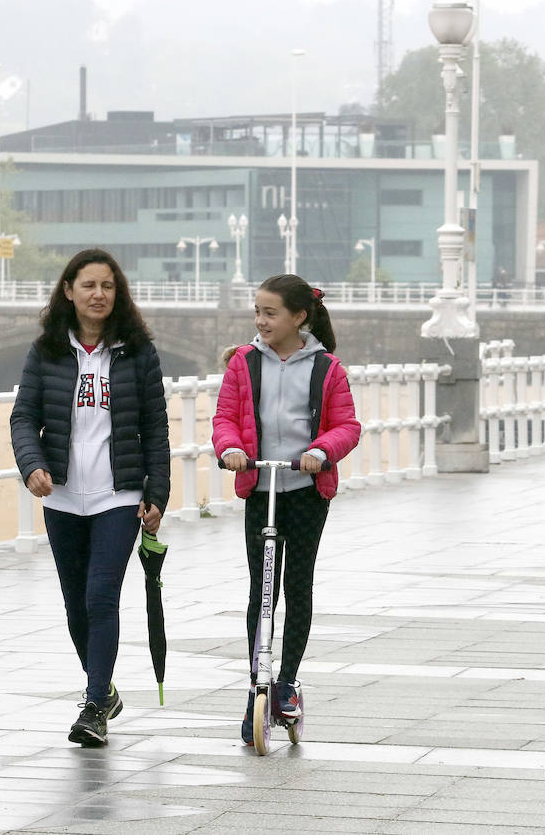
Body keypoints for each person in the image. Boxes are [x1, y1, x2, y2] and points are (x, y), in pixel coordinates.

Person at [10, 248, 170, 747]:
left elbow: (155, 429)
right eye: (88, 286)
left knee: (101, 597)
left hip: (117, 496)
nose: (98, 294)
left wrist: (156, 493)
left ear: (117, 293)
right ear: (69, 291)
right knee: (76, 605)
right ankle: (104, 690)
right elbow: (22, 417)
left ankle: (95, 703)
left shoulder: (137, 352)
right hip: (61, 497)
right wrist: (32, 464)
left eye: (107, 286)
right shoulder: (48, 351)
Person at [211, 273, 361, 746]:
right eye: (257, 311)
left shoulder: (327, 369)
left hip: (305, 490)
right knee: (262, 588)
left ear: (299, 316)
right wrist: (230, 448)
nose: (261, 320)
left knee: (297, 584)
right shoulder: (243, 363)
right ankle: (258, 681)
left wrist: (321, 451)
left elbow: (347, 425)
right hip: (261, 488)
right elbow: (224, 418)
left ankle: (287, 682)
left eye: (270, 312)